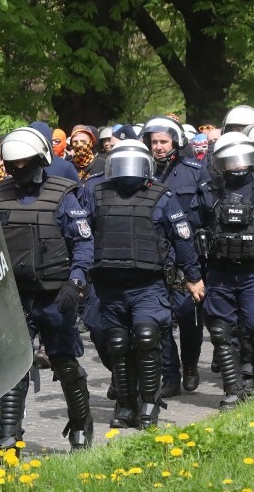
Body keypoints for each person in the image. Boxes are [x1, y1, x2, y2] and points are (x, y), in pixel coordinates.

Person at [81, 140, 204, 429]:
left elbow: (182, 238)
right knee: (118, 344)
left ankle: (149, 405)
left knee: (147, 337)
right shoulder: (96, 193)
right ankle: (126, 405)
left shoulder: (161, 196)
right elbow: (82, 237)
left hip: (148, 285)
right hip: (110, 286)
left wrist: (193, 276)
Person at [0, 127, 94, 450]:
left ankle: (81, 425)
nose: (19, 167)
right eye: (13, 162)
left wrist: (76, 283)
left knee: (64, 363)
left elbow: (83, 243)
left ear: (40, 159)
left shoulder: (63, 194)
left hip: (56, 295)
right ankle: (8, 436)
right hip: (14, 296)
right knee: (15, 367)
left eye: (25, 161)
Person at [139, 116, 206, 397]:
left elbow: (206, 212)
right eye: (153, 142)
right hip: (155, 256)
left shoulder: (194, 171)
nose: (158, 147)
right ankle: (171, 374)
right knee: (160, 318)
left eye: (163, 141)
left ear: (175, 142)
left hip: (188, 255)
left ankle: (190, 364)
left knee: (188, 313)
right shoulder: (142, 173)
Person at [190, 132, 254, 411]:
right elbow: (193, 226)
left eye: (242, 157)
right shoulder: (210, 189)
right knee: (219, 330)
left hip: (252, 272)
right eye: (231, 158)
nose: (237, 164)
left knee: (252, 326)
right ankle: (232, 389)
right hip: (219, 271)